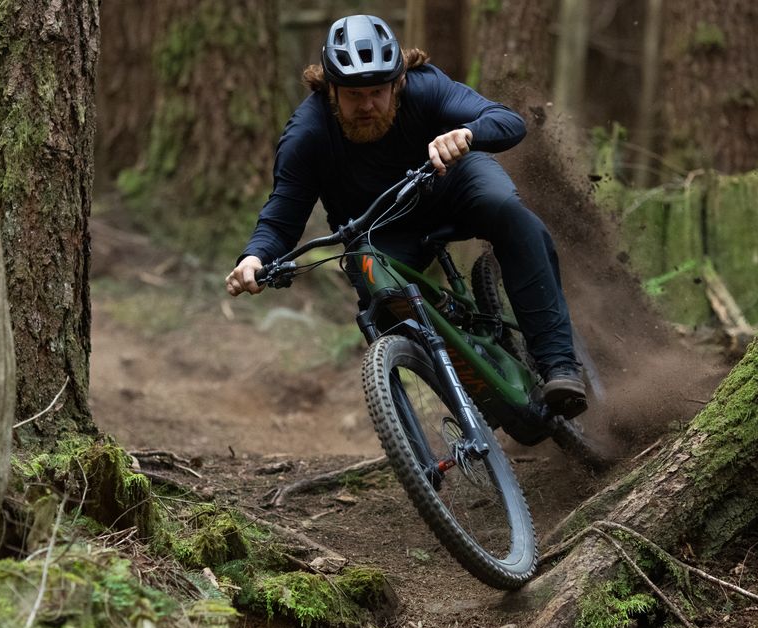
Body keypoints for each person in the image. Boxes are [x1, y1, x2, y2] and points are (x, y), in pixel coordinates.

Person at [225, 14, 587, 418]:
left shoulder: (427, 87)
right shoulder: (306, 134)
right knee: (384, 302)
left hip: (455, 186)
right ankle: (474, 417)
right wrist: (253, 259)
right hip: (381, 229)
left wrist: (467, 134)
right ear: (330, 91)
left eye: (378, 92)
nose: (366, 105)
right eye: (353, 95)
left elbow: (508, 121)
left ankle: (559, 365)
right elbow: (281, 217)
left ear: (398, 83)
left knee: (506, 212)